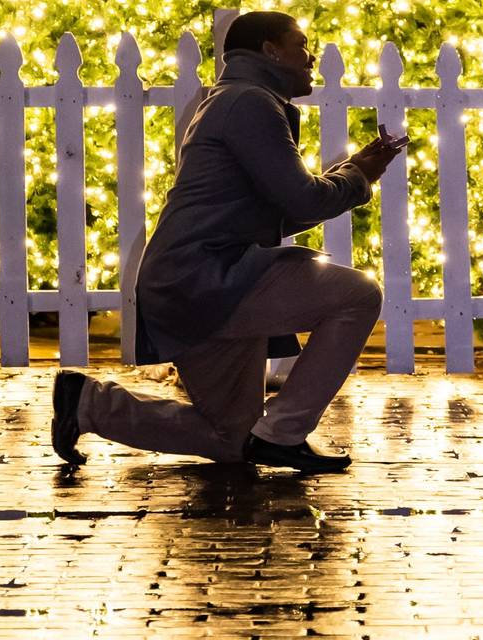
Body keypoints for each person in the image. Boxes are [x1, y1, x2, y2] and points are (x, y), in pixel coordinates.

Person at [50, 11, 402, 473]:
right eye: (300, 43)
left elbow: (288, 210)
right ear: (269, 51)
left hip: (198, 281)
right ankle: (284, 433)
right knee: (359, 294)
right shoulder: (249, 103)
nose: (310, 55)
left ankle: (88, 404)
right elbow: (301, 199)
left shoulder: (237, 100)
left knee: (233, 439)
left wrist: (353, 173)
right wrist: (356, 177)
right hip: (208, 277)